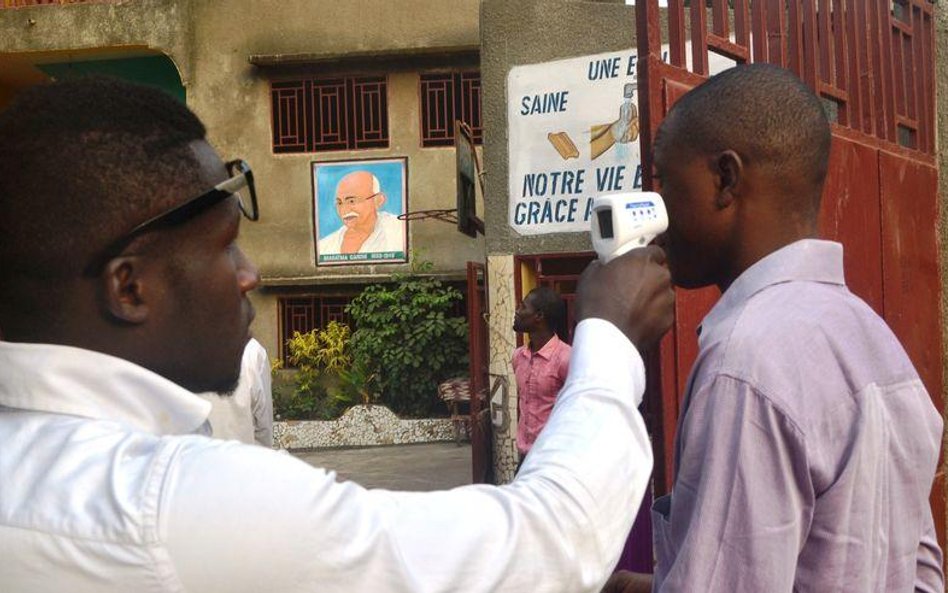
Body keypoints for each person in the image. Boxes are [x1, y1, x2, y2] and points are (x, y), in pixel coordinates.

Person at [0, 76, 675, 593]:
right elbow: (543, 543)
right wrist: (611, 336)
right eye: (226, 247)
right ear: (130, 287)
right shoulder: (170, 502)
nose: (249, 274)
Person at [604, 64, 944, 592]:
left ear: (725, 179)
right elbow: (916, 574)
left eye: (664, 182)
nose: (657, 210)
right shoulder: (877, 344)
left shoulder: (745, 364)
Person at [512, 286, 571, 460]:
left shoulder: (567, 358)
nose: (517, 311)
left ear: (539, 316)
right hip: (525, 458)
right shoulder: (518, 357)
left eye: (523, 307)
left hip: (556, 459)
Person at [196, 337, 274, 447]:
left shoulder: (181, 348)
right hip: (242, 457)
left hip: (196, 458)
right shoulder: (253, 351)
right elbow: (264, 426)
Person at [317, 170, 404, 256]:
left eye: (352, 201)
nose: (344, 210)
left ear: (378, 200)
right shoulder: (324, 246)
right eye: (339, 203)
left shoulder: (400, 230)